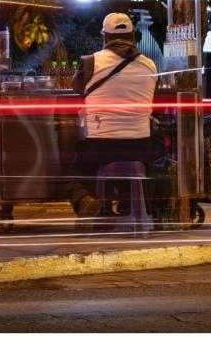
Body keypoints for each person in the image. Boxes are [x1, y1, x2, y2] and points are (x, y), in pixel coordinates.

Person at [66, 12, 159, 221]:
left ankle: (85, 201)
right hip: (141, 146)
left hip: (101, 146)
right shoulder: (150, 66)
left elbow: (75, 88)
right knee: (152, 159)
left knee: (74, 171)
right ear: (133, 36)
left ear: (105, 37)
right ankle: (128, 204)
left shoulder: (90, 63)